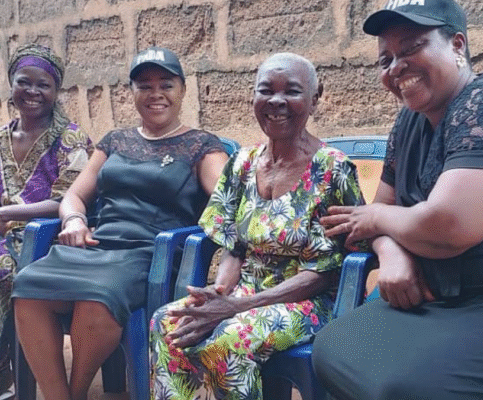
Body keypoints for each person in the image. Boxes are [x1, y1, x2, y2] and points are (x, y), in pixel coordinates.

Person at [313, 0, 483, 398]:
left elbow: (449, 226)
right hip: (442, 299)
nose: (396, 67)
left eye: (411, 47)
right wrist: (393, 254)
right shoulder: (409, 122)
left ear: (458, 45)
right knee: (334, 347)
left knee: (405, 385)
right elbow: (381, 210)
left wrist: (376, 219)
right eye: (386, 59)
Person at [11, 47, 228, 400]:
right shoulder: (115, 141)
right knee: (27, 286)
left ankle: (75, 393)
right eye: (144, 86)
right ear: (132, 92)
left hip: (150, 254)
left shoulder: (202, 146)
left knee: (99, 297)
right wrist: (75, 220)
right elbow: (74, 195)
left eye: (166, 85)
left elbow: (226, 200)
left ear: (183, 90)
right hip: (95, 246)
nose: (156, 94)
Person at [149, 52, 368, 400]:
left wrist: (235, 308)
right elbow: (234, 246)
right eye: (266, 90)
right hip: (246, 292)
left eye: (291, 91)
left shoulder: (332, 170)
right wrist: (219, 294)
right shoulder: (242, 162)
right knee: (167, 322)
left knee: (228, 342)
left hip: (310, 301)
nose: (276, 101)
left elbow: (326, 273)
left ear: (315, 98)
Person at [0, 44, 93, 399]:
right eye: (24, 82)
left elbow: (69, 199)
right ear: (11, 84)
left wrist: (5, 214)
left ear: (56, 90)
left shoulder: (70, 139)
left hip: (49, 245)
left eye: (43, 85)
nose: (32, 91)